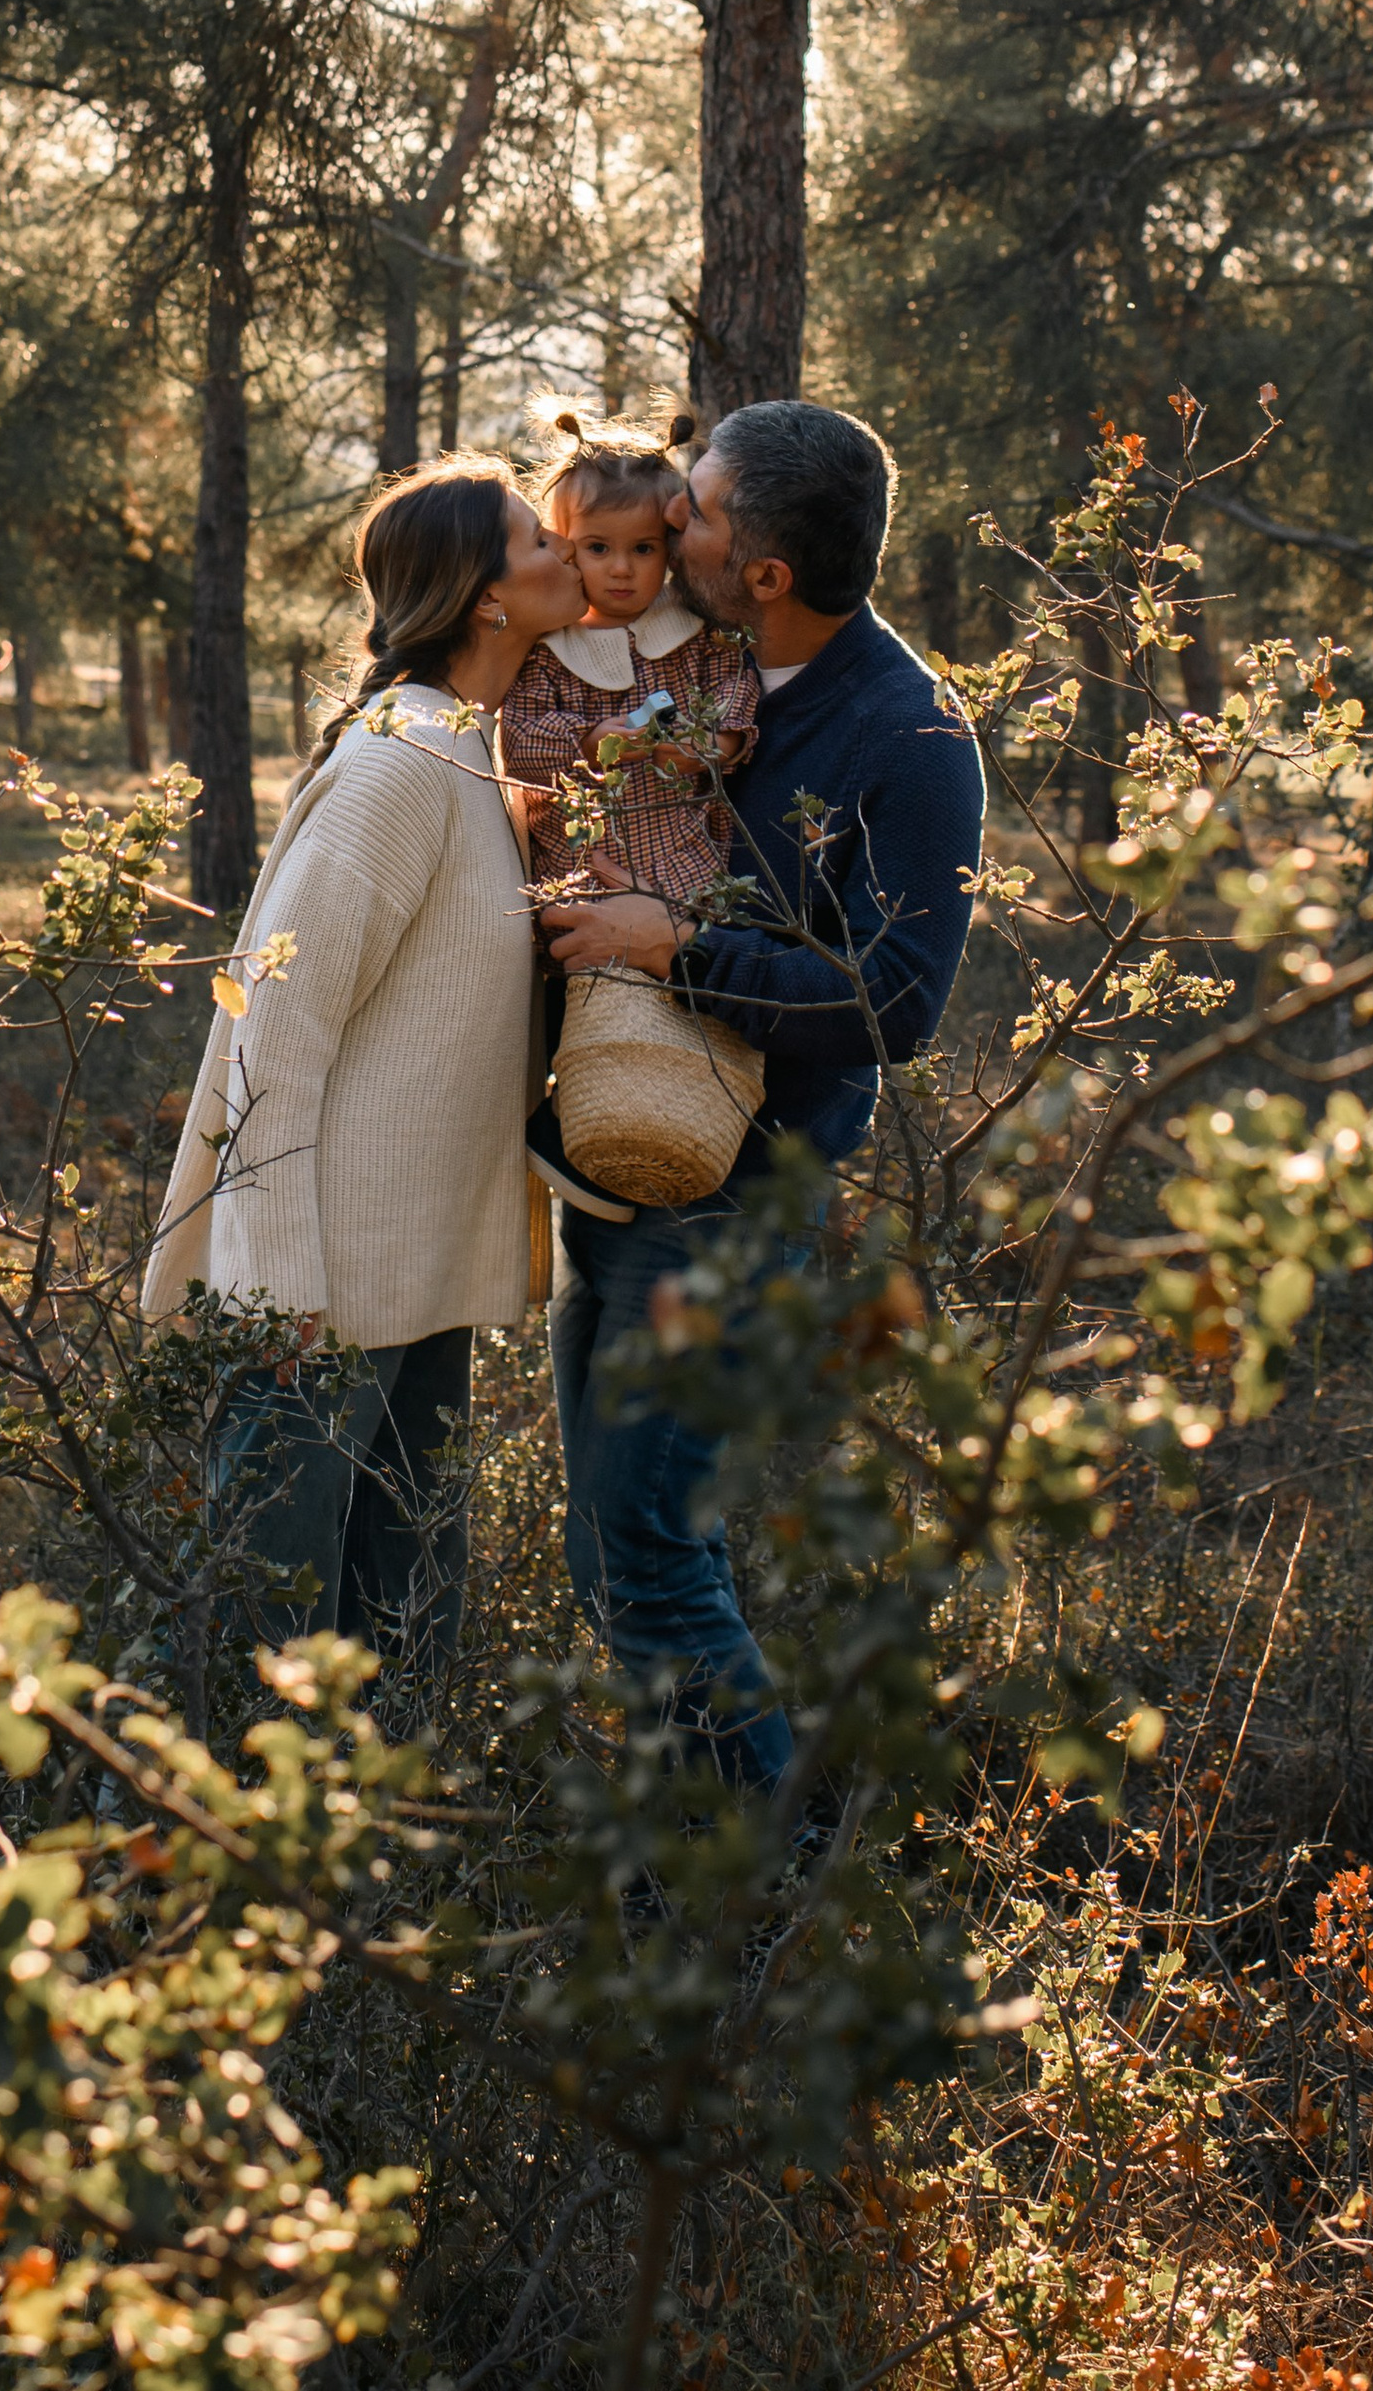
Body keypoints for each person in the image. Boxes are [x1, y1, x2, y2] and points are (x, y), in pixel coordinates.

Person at [540, 400, 986, 1787]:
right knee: (617, 1546)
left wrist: (672, 949)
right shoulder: (705, 661)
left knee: (653, 1549)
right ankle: (677, 1861)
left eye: (705, 511)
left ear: (768, 571)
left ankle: (760, 1909)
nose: (675, 517)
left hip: (737, 1204)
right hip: (614, 1161)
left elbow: (892, 1004)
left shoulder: (908, 737)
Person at [143, 461, 587, 1664]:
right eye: (536, 538)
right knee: (264, 1622)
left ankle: (384, 1845)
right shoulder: (397, 764)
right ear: (487, 598)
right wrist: (278, 1279)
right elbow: (274, 1025)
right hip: (320, 1289)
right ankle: (205, 1843)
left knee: (399, 1610)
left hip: (414, 1273)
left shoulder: (468, 756)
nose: (567, 551)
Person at [499, 401, 762, 912]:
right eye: (598, 548)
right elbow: (521, 738)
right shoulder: (550, 646)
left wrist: (717, 741)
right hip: (586, 878)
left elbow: (736, 684)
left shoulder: (692, 630)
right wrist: (587, 742)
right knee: (605, 987)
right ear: (565, 544)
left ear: (670, 547)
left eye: (643, 549)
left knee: (700, 974)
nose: (621, 569)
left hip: (690, 867)